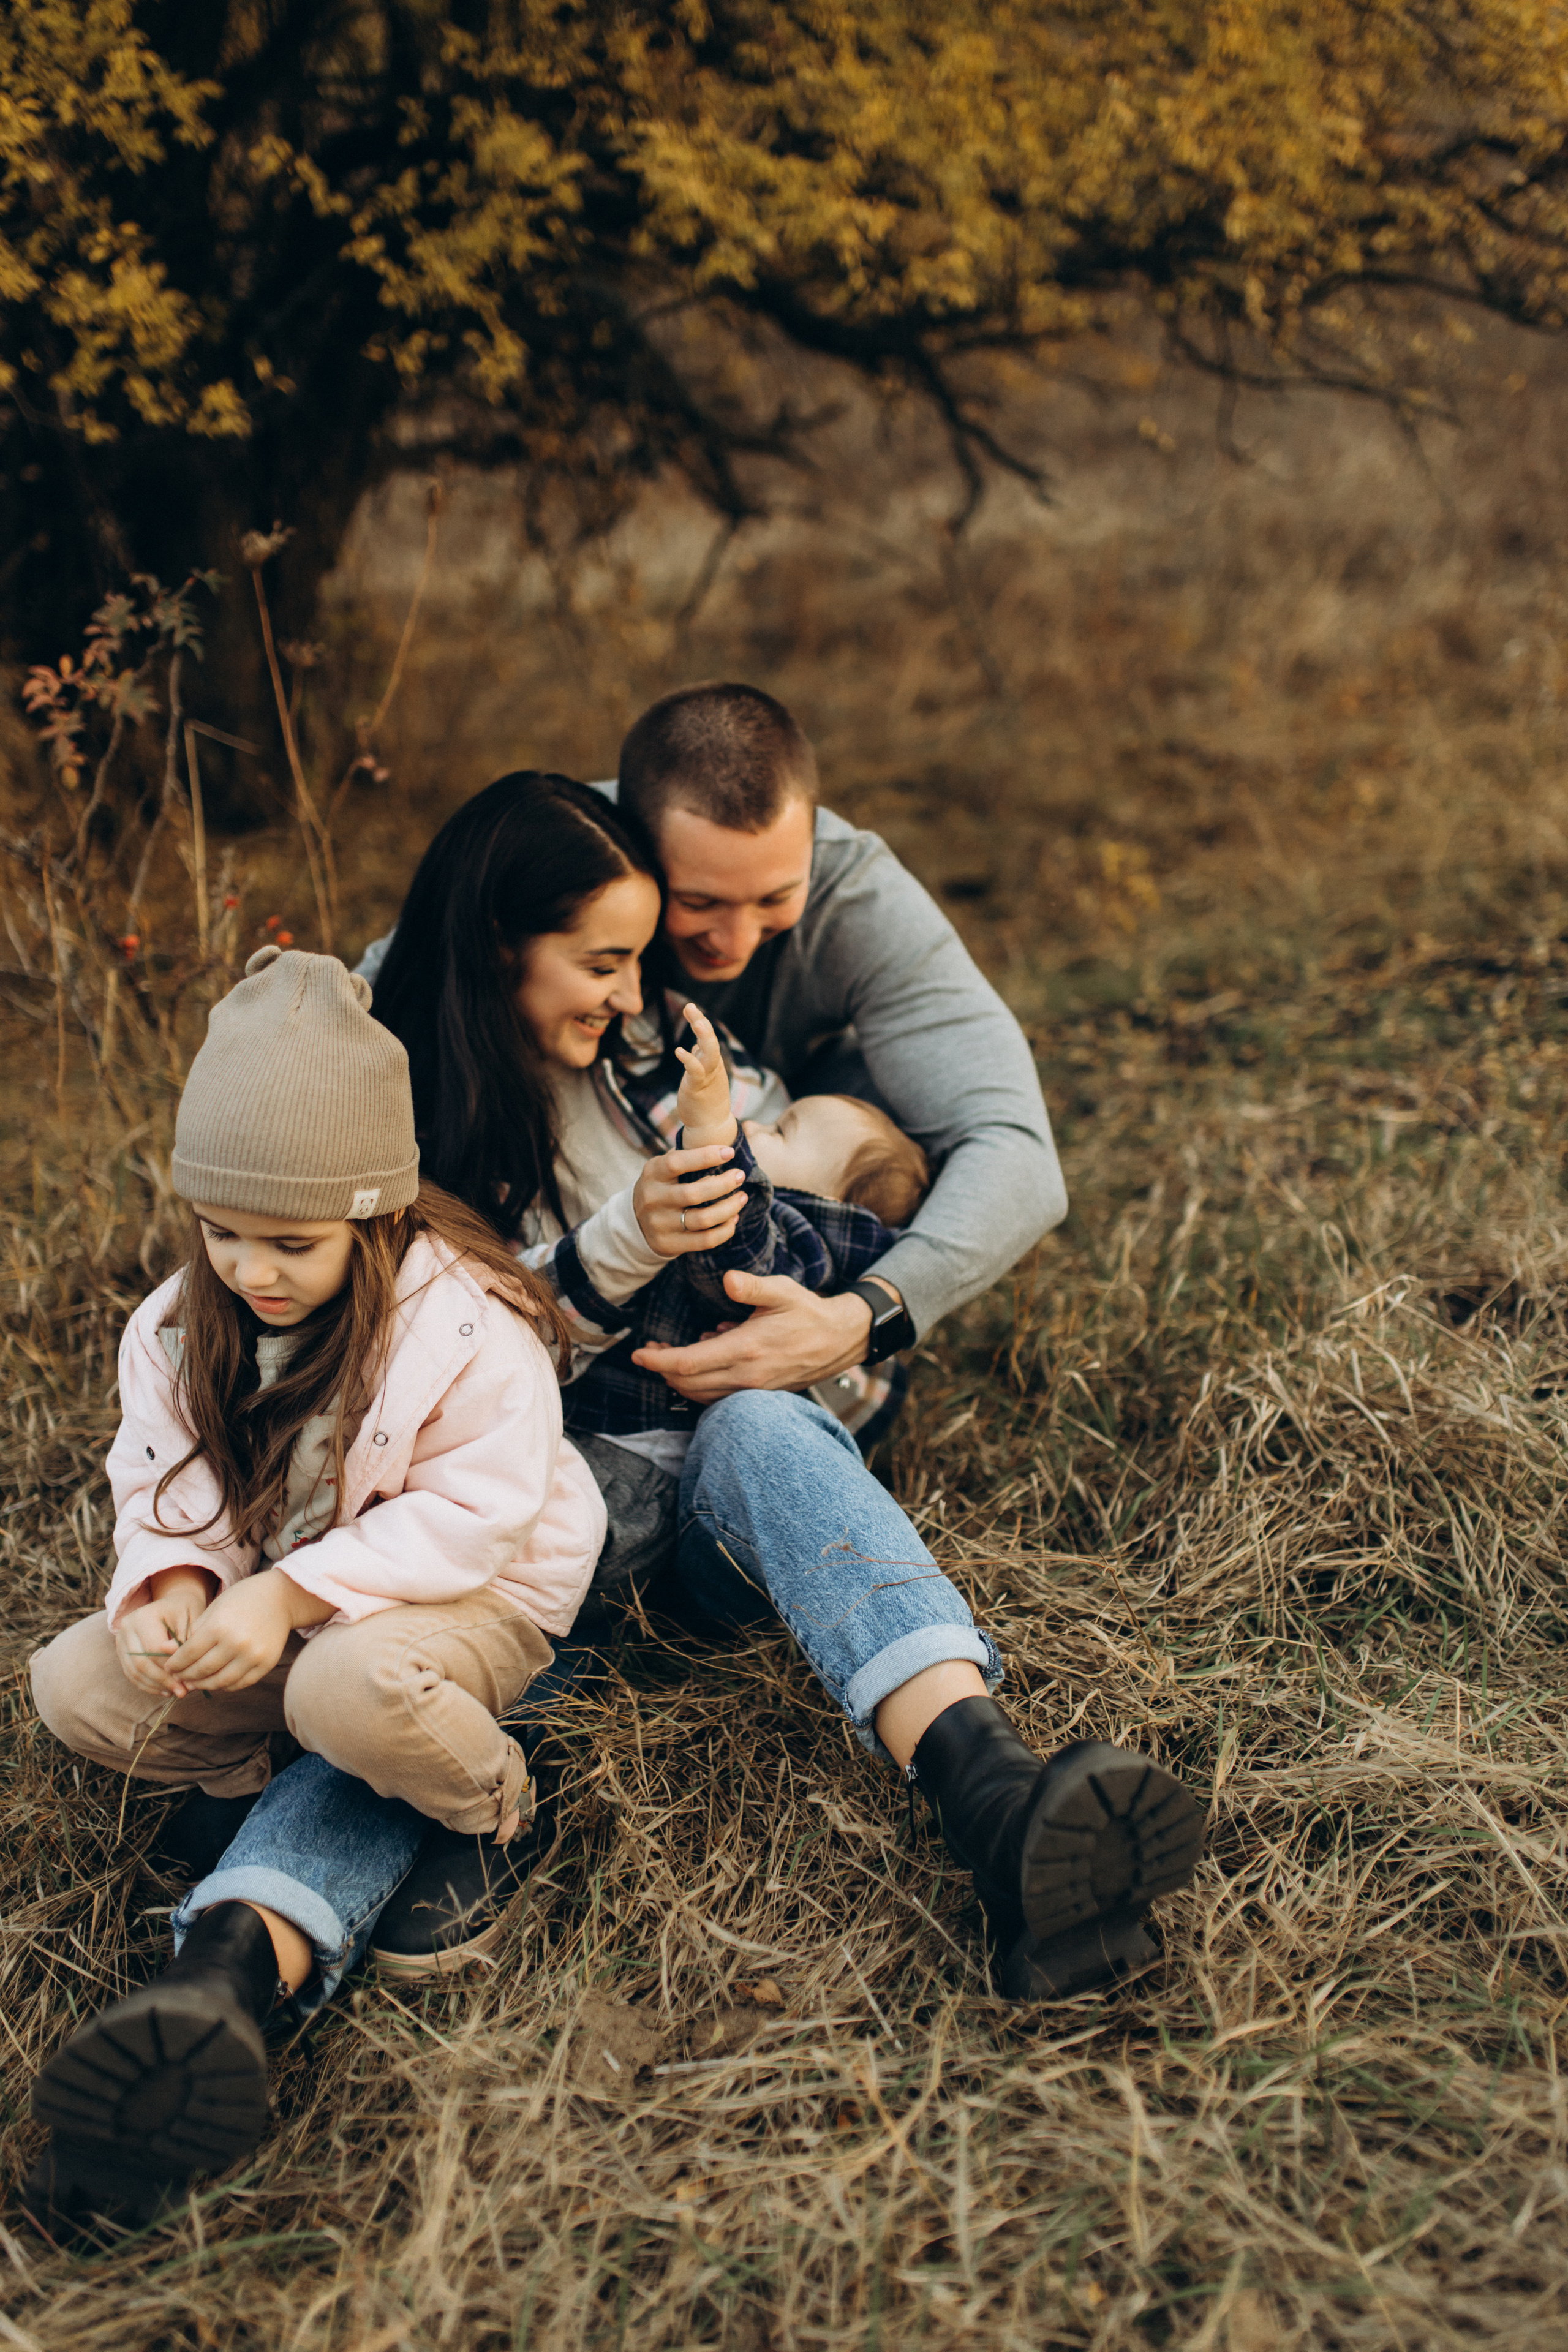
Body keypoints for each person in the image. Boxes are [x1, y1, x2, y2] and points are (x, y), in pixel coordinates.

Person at [25, 946, 605, 2228]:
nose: (251, 1270)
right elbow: (161, 1482)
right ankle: (272, 1778)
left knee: (352, 1685)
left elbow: (480, 1517)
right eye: (221, 1232)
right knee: (78, 1683)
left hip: (473, 1597)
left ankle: (493, 1799)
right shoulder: (181, 1327)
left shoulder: (466, 1325)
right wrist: (177, 1585)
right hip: (287, 1605)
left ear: (377, 1212)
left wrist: (289, 1601)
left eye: (290, 1241)